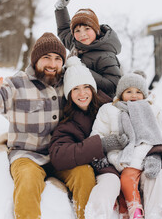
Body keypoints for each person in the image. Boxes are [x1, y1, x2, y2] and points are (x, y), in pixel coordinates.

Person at [0, 33, 96, 219]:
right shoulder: (18, 84)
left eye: (57, 59)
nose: (52, 64)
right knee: (27, 181)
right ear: (35, 60)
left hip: (61, 154)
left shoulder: (68, 84)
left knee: (84, 175)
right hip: (27, 155)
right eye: (46, 58)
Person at [91, 71, 162, 219]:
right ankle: (129, 211)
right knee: (124, 181)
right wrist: (102, 150)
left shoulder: (149, 109)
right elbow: (97, 134)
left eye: (138, 92)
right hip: (119, 157)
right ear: (121, 93)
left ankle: (145, 213)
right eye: (129, 91)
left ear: (144, 94)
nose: (134, 95)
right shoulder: (109, 109)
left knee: (142, 179)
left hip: (144, 156)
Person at [49, 56, 127, 219]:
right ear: (69, 93)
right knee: (110, 183)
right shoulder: (68, 122)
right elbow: (58, 155)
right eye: (76, 88)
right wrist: (101, 145)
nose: (82, 93)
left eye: (86, 87)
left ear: (93, 88)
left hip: (122, 163)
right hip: (104, 171)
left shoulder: (112, 108)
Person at [54, 0, 122, 98]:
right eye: (77, 30)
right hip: (77, 101)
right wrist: (60, 8)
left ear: (96, 30)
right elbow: (64, 30)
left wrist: (81, 69)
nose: (82, 34)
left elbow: (114, 86)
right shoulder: (77, 44)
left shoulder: (106, 55)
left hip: (97, 107)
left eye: (87, 29)